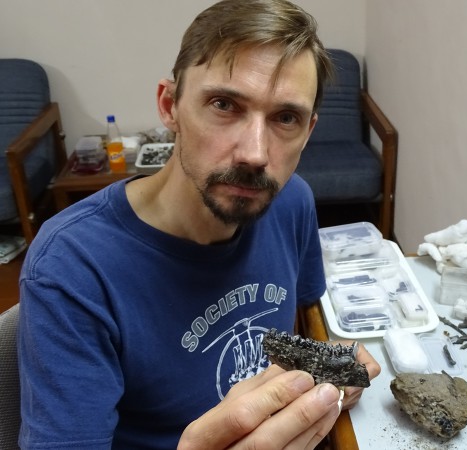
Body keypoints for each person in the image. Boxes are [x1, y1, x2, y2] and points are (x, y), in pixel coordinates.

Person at [17, 1, 381, 449]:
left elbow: (302, 328)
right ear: (170, 106)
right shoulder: (72, 265)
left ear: (308, 131)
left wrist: (330, 369)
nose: (255, 154)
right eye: (224, 104)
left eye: (286, 118)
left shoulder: (292, 203)